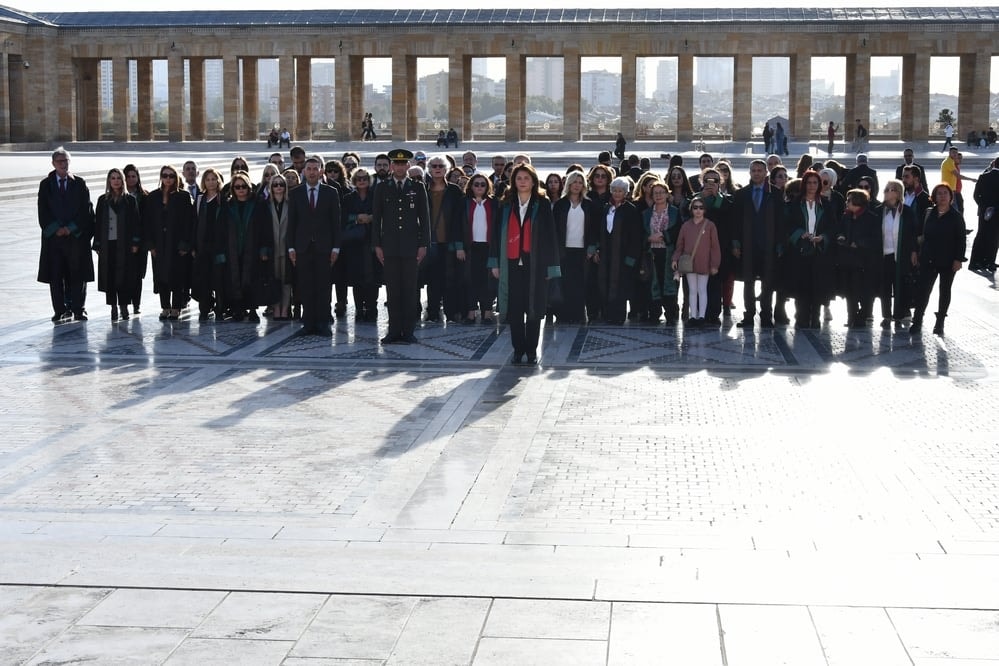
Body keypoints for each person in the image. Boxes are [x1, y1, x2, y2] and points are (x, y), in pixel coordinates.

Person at [489, 163, 561, 364]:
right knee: (515, 308)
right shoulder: (505, 203)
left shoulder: (542, 203)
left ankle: (531, 350)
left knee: (534, 308)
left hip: (535, 263)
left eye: (526, 178)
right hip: (510, 262)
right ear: (513, 181)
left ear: (533, 181)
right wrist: (494, 263)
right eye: (519, 178)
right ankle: (517, 349)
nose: (522, 182)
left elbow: (550, 236)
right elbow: (495, 236)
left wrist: (551, 267)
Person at [374, 148, 430, 345]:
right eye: (395, 163)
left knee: (409, 290)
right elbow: (377, 219)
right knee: (393, 291)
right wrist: (377, 245)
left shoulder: (417, 187)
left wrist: (423, 245)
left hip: (410, 247)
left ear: (408, 165)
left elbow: (425, 219)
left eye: (403, 163)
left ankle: (408, 331)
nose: (399, 167)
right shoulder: (382, 188)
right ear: (391, 166)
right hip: (389, 248)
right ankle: (393, 330)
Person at [37, 147, 95, 323]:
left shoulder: (79, 183)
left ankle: (78, 308)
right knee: (56, 275)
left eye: (66, 161)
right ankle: (60, 309)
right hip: (54, 240)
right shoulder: (46, 185)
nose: (63, 164)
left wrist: (71, 228)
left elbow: (86, 210)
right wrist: (56, 229)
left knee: (77, 274)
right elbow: (43, 211)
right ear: (53, 163)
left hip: (75, 238)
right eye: (59, 161)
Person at [287, 156, 341, 336]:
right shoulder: (295, 193)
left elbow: (336, 222)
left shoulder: (331, 192)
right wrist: (291, 247)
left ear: (321, 172)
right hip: (302, 247)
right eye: (308, 169)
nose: (311, 172)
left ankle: (323, 322)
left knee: (324, 286)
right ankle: (308, 322)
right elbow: (292, 223)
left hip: (324, 248)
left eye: (315, 169)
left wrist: (336, 247)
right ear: (304, 171)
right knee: (305, 286)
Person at [910, 183, 966, 336]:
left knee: (944, 291)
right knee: (923, 291)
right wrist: (915, 251)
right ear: (934, 197)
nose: (942, 196)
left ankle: (940, 321)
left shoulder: (956, 216)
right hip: (928, 258)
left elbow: (961, 239)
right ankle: (917, 321)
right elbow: (920, 234)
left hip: (948, 261)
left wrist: (958, 259)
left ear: (950, 197)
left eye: (945, 193)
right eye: (939, 193)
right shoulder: (929, 213)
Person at [732, 159, 781, 329]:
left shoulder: (775, 194)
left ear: (766, 172)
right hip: (748, 245)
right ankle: (748, 315)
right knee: (748, 282)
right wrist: (736, 243)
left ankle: (766, 316)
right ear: (750, 172)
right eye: (754, 170)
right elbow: (735, 222)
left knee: (768, 283)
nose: (757, 173)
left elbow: (781, 222)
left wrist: (779, 244)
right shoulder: (741, 194)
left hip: (768, 246)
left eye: (760, 170)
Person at [787, 170, 835, 329]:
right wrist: (800, 234)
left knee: (817, 286)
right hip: (800, 251)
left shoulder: (826, 204)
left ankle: (815, 318)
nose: (812, 186)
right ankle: (801, 317)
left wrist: (822, 237)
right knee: (802, 286)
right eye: (809, 183)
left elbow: (832, 227)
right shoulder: (795, 203)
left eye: (815, 183)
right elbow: (788, 225)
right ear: (804, 184)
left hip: (819, 252)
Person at [93, 168, 141, 322]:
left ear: (123, 181)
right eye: (112, 178)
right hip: (108, 245)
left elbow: (136, 223)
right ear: (109, 181)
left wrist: (135, 242)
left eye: (118, 178)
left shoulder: (130, 200)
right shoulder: (102, 200)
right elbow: (98, 223)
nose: (116, 181)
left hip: (125, 245)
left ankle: (124, 306)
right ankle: (113, 306)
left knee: (125, 276)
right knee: (110, 276)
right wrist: (98, 244)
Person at [595, 176, 642, 325]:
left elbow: (636, 237)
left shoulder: (631, 210)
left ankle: (618, 315)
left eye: (620, 191)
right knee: (605, 282)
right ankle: (606, 313)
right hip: (606, 253)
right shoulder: (606, 208)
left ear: (626, 193)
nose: (617, 193)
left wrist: (630, 258)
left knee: (620, 285)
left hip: (623, 255)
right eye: (614, 190)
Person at [552, 170, 598, 324]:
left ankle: (578, 315)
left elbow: (594, 229)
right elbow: (554, 229)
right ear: (569, 184)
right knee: (565, 283)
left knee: (580, 283)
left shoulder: (589, 204)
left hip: (583, 251)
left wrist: (592, 247)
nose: (577, 185)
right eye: (574, 182)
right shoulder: (560, 204)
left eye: (580, 182)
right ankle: (564, 314)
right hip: (564, 250)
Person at [338, 168, 380, 322]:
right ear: (354, 181)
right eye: (358, 178)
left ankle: (371, 307)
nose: (362, 181)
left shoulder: (376, 196)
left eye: (364, 178)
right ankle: (358, 308)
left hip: (372, 242)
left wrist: (371, 218)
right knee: (357, 277)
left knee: (372, 277)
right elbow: (342, 217)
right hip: (354, 242)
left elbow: (383, 214)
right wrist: (356, 218)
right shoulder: (348, 198)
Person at [672, 196, 721, 327]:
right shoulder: (686, 226)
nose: (698, 210)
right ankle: (693, 316)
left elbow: (715, 247)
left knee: (702, 289)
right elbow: (679, 245)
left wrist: (714, 264)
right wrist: (675, 259)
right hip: (689, 263)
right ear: (691, 209)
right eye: (695, 207)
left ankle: (701, 317)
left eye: (701, 208)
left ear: (705, 210)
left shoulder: (710, 225)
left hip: (704, 262)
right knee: (692, 290)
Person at [837, 189, 881, 329]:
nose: (847, 203)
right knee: (849, 291)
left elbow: (875, 238)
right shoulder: (846, 216)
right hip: (848, 259)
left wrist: (860, 243)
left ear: (857, 201)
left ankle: (862, 316)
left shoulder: (871, 218)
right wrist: (841, 237)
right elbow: (841, 230)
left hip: (864, 260)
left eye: (849, 200)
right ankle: (851, 317)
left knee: (864, 292)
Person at [877, 180, 919, 328]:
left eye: (892, 189)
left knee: (900, 285)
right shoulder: (879, 210)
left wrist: (914, 251)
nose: (888, 192)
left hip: (901, 253)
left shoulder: (906, 212)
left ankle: (899, 314)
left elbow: (914, 233)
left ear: (899, 193)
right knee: (885, 287)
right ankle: (886, 316)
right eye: (887, 189)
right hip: (884, 254)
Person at [224, 171, 263, 323]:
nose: (241, 190)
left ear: (249, 188)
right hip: (233, 248)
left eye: (244, 186)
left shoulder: (257, 204)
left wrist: (264, 248)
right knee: (235, 277)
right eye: (237, 187)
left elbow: (264, 228)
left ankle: (252, 309)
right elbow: (221, 230)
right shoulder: (228, 206)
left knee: (251, 278)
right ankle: (238, 309)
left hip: (252, 247)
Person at [459, 173, 498, 324]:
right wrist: (459, 247)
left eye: (483, 184)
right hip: (471, 248)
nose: (480, 187)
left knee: (487, 281)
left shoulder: (494, 203)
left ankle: (487, 313)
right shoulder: (465, 203)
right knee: (470, 280)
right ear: (471, 186)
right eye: (476, 184)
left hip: (489, 247)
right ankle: (471, 313)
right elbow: (457, 226)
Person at [191, 167, 228, 322]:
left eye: (214, 179)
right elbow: (194, 223)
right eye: (208, 179)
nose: (211, 182)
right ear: (204, 182)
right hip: (202, 246)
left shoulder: (224, 199)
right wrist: (193, 246)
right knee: (204, 279)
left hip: (219, 246)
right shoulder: (200, 199)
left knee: (219, 279)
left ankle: (220, 309)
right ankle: (204, 309)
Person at [644, 180, 682, 324]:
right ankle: (654, 313)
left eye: (661, 192)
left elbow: (678, 231)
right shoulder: (646, 214)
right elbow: (640, 232)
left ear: (667, 194)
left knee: (669, 283)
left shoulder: (674, 212)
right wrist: (648, 238)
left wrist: (663, 236)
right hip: (652, 253)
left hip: (669, 253)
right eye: (655, 193)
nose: (658, 195)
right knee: (653, 283)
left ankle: (671, 314)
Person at [258, 172, 293, 321]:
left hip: (287, 249)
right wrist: (263, 249)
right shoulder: (265, 205)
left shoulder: (291, 204)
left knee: (286, 280)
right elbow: (262, 229)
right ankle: (276, 307)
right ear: (271, 187)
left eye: (281, 184)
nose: (278, 187)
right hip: (272, 249)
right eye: (275, 184)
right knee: (274, 279)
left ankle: (285, 308)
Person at [123, 164, 149, 316]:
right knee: (125, 273)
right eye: (128, 176)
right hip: (124, 241)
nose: (131, 179)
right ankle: (125, 303)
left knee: (137, 274)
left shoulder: (145, 196)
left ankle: (136, 304)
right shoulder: (120, 195)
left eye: (134, 176)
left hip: (141, 242)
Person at [969, 157, 999, 273]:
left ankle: (975, 261)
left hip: (984, 213)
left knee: (981, 235)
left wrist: (983, 207)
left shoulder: (983, 176)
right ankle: (989, 261)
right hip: (997, 213)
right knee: (994, 238)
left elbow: (976, 195)